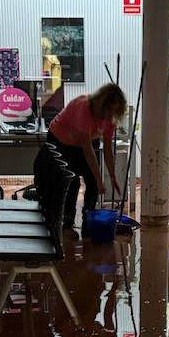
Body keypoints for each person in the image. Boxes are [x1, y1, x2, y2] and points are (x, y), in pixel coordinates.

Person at [40, 82, 126, 236]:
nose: (111, 116)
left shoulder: (109, 120)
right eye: (110, 111)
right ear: (102, 103)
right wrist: (100, 180)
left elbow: (107, 149)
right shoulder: (83, 107)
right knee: (70, 181)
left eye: (115, 112)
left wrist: (112, 176)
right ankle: (66, 223)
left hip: (82, 141)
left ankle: (89, 220)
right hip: (60, 139)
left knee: (92, 181)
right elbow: (87, 150)